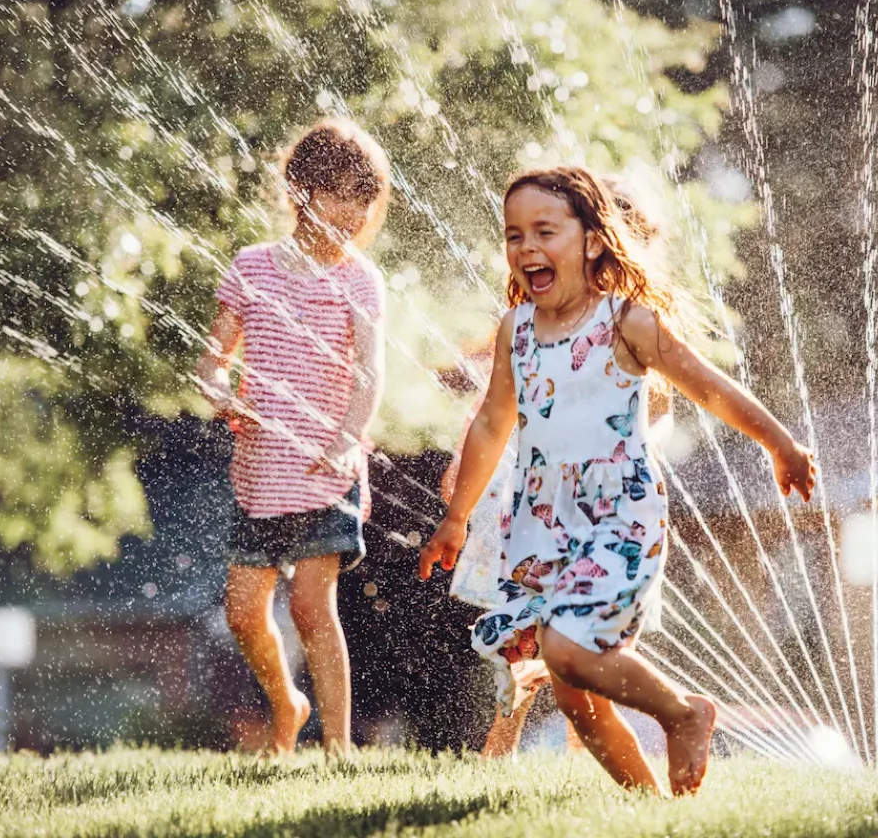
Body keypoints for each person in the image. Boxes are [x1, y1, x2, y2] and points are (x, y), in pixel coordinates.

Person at [419, 166, 815, 796]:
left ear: (593, 241)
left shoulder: (626, 321)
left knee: (568, 650)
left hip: (617, 517)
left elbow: (707, 387)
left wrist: (780, 442)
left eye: (544, 231)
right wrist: (457, 515)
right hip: (541, 525)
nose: (526, 248)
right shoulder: (515, 330)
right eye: (513, 234)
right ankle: (653, 810)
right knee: (578, 700)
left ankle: (684, 713)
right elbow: (493, 423)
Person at [440, 176, 674, 759]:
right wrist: (461, 499)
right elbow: (493, 413)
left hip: (603, 514)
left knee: (585, 643)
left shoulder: (633, 325)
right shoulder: (533, 321)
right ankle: (502, 745)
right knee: (523, 633)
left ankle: (578, 748)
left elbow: (655, 408)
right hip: (531, 503)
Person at [196, 119, 390, 755]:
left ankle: (339, 748)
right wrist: (222, 394)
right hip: (259, 475)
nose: (354, 211)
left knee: (312, 606)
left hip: (325, 472)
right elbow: (212, 362)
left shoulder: (360, 280)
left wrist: (348, 437)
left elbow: (370, 371)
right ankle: (288, 702)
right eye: (340, 194)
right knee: (243, 613)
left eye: (364, 199)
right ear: (300, 190)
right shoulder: (251, 268)